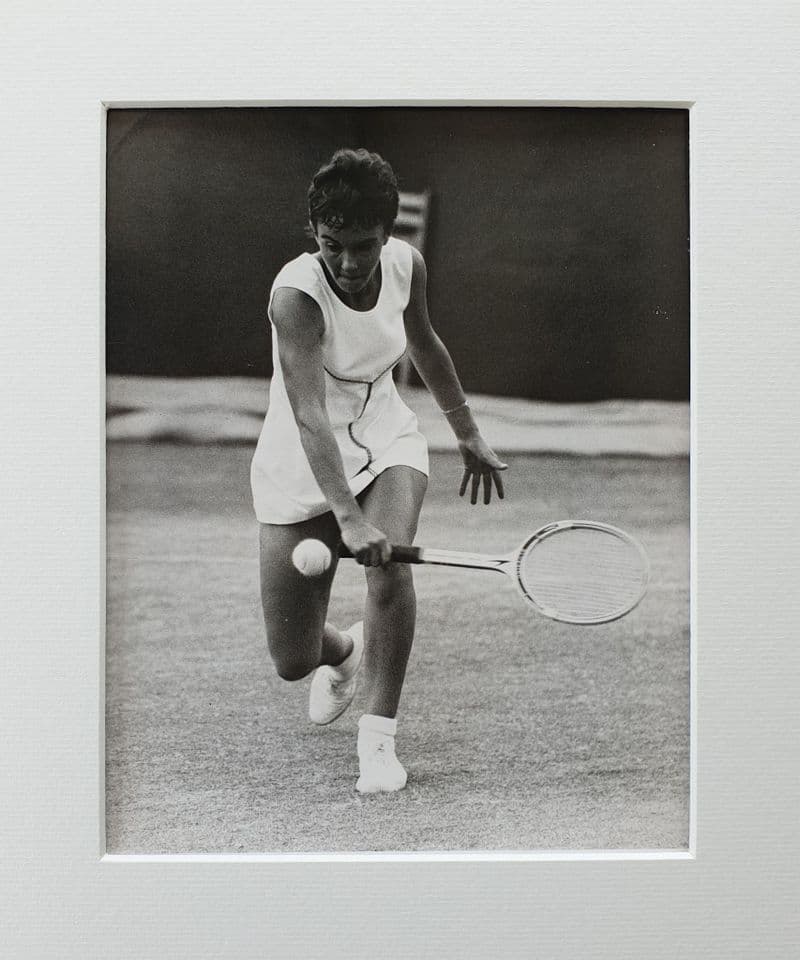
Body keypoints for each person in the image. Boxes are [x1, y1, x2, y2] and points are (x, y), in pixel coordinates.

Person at [250, 148, 507, 794]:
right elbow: (309, 417)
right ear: (315, 236)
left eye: (362, 245)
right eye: (332, 244)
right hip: (302, 469)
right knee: (292, 660)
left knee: (390, 570)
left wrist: (467, 431)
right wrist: (348, 520)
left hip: (388, 441)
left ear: (387, 235)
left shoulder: (405, 266)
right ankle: (343, 654)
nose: (347, 262)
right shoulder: (296, 299)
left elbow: (424, 342)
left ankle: (378, 744)